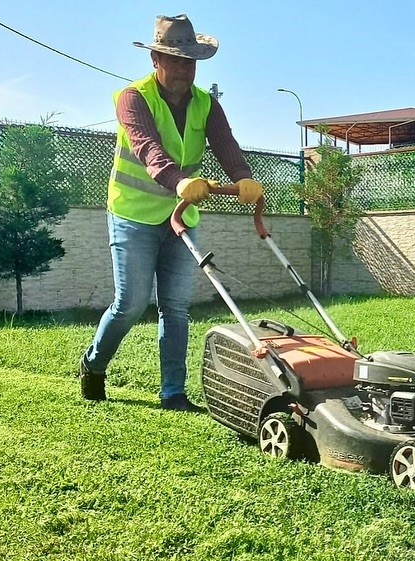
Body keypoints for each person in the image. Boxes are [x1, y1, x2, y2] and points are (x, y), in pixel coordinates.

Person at [79, 14, 263, 411]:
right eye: (175, 60)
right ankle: (93, 365)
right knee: (130, 303)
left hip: (181, 217)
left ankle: (173, 392)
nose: (183, 69)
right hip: (133, 214)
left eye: (190, 61)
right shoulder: (133, 98)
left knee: (176, 307)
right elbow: (146, 145)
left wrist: (243, 176)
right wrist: (177, 179)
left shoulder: (206, 104)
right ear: (155, 61)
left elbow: (225, 143)